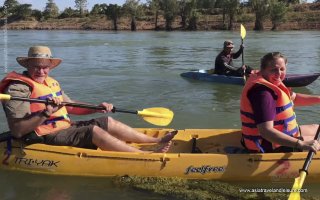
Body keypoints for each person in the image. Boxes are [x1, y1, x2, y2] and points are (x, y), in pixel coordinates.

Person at [0, 46, 177, 153]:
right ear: (28, 65)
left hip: (64, 128)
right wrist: (46, 112)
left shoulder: (50, 83)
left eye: (45, 67)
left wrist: (96, 108)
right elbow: (18, 130)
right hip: (44, 135)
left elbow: (71, 107)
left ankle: (155, 141)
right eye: (36, 67)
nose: (41, 72)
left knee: (107, 121)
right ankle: (142, 155)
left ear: (50, 67)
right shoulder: (17, 88)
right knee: (92, 131)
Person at [240, 52, 320, 153]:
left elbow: (294, 99)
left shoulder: (272, 81)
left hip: (284, 133)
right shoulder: (263, 94)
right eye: (273, 70)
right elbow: (266, 131)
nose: (279, 73)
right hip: (269, 144)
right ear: (263, 70)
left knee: (316, 127)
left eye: (282, 69)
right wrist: (301, 144)